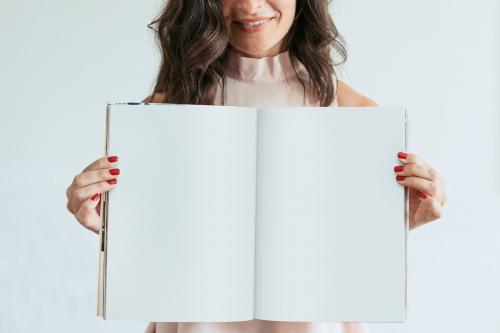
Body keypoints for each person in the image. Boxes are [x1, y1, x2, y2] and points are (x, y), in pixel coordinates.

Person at [65, 0, 448, 332]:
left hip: (311, 324)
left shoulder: (357, 116)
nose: (250, 7)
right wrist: (106, 222)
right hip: (199, 321)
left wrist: (399, 220)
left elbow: (351, 256)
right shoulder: (163, 112)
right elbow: (155, 250)